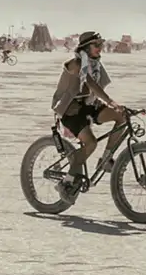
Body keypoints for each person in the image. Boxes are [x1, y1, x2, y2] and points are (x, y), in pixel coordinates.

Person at [52, 31, 129, 178]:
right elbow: (91, 84)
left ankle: (106, 159)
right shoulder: (75, 64)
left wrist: (113, 106)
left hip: (89, 105)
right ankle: (69, 180)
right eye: (97, 45)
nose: (100, 48)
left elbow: (96, 88)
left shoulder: (96, 65)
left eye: (101, 44)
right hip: (71, 110)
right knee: (91, 144)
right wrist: (111, 102)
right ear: (86, 47)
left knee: (122, 116)